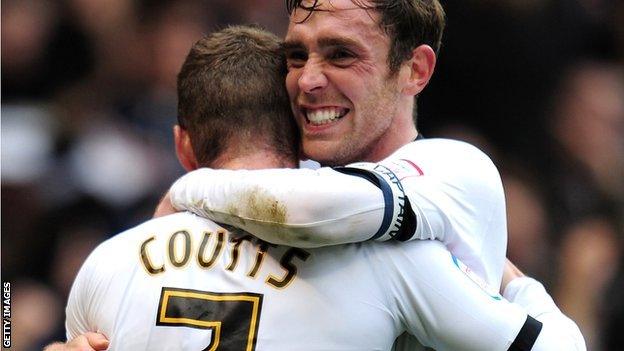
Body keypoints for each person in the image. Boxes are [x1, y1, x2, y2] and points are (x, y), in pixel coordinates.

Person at [48, 25, 585, 350]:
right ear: (303, 134)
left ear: (182, 147)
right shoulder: (386, 257)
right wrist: (517, 284)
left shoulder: (108, 263)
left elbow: (7, 317)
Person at [161, 0, 504, 296]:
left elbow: (314, 211)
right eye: (296, 56)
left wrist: (189, 189)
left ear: (415, 70)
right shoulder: (280, 192)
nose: (308, 80)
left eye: (341, 55)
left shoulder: (456, 171)